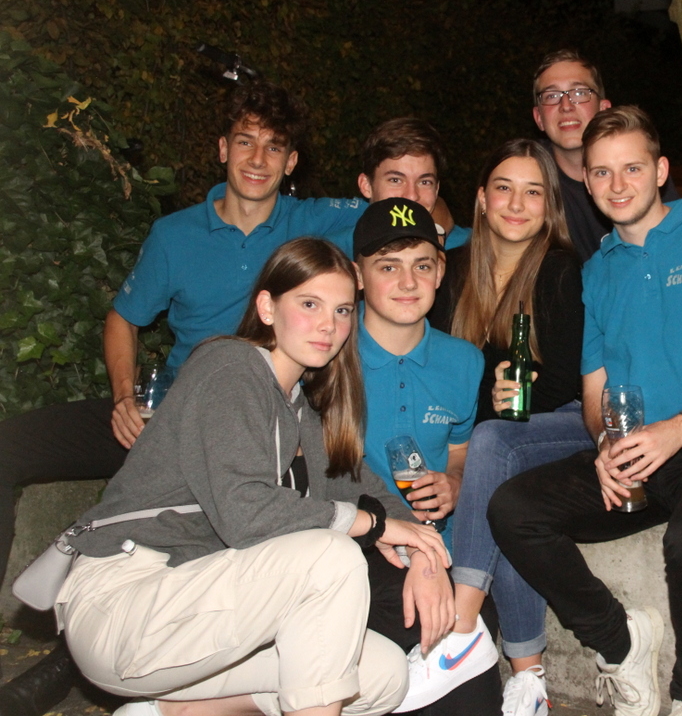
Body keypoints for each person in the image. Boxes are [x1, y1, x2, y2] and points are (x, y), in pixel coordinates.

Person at [0, 82, 368, 713]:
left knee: (230, 522)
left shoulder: (312, 222)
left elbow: (414, 217)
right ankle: (82, 635)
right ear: (222, 149)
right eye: (245, 142)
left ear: (292, 162)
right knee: (10, 445)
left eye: (274, 147)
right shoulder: (174, 235)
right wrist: (123, 397)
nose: (257, 159)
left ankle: (83, 671)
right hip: (166, 411)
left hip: (252, 421)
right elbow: (124, 318)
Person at [56, 237, 454, 716]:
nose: (328, 325)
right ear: (267, 307)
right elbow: (245, 510)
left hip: (197, 616)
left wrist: (424, 557)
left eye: (343, 311)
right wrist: (372, 526)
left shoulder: (303, 412)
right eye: (309, 304)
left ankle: (166, 712)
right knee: (330, 557)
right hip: (126, 602)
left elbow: (370, 492)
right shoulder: (229, 366)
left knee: (381, 676)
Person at [489, 107, 682, 716]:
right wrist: (604, 445)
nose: (617, 184)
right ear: (586, 181)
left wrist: (681, 429)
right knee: (514, 509)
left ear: (661, 171)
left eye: (632, 168)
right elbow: (595, 392)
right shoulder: (596, 271)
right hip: (639, 455)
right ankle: (620, 643)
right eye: (601, 172)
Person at [428, 138, 592, 716]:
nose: (517, 204)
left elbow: (567, 380)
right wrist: (489, 402)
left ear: (549, 205)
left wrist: (508, 403)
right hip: (493, 438)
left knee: (494, 441)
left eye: (533, 192)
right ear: (481, 198)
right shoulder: (452, 271)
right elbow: (442, 369)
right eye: (504, 188)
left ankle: (461, 626)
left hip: (565, 423)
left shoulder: (560, 269)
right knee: (503, 492)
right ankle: (530, 682)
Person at [350, 199, 503, 714]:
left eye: (422, 265)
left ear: (440, 271)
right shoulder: (329, 353)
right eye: (387, 266)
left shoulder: (464, 361)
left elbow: (461, 452)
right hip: (359, 547)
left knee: (475, 691)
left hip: (447, 549)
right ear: (358, 275)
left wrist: (454, 482)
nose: (407, 282)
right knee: (406, 634)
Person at [529, 50, 680, 261]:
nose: (566, 106)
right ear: (539, 118)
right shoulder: (529, 175)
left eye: (579, 93)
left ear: (603, 109)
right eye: (552, 96)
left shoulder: (639, 170)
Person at [332, 117, 468, 256]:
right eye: (395, 180)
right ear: (366, 186)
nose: (412, 196)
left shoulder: (470, 251)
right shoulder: (334, 255)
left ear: (437, 189)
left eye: (425, 182)